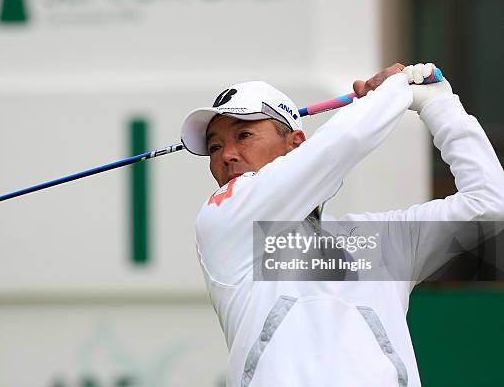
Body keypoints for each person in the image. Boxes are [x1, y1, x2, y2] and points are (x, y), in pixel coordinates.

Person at [180, 63, 504, 387]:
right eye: (215, 146)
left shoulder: (372, 243)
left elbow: (489, 201)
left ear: (294, 144)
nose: (227, 155)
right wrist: (394, 91)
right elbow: (341, 144)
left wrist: (438, 104)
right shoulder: (225, 219)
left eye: (244, 135)